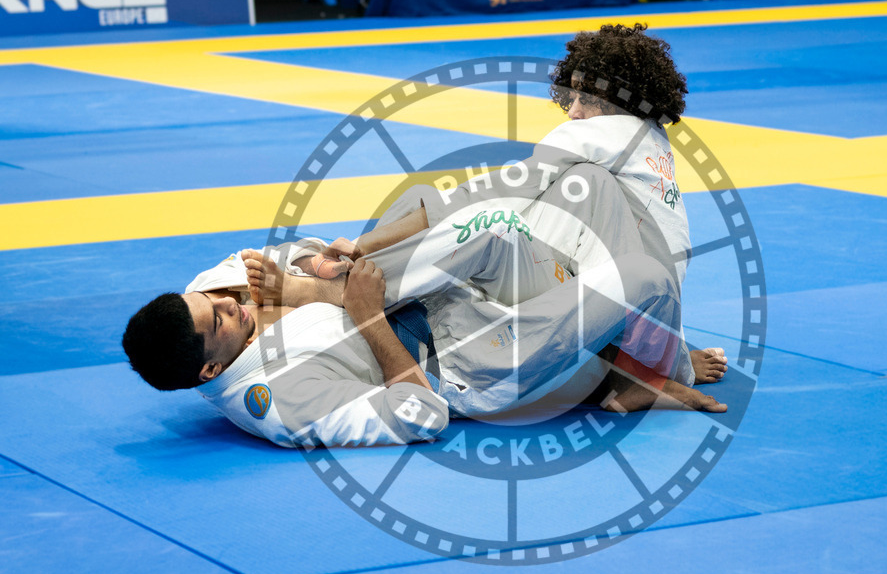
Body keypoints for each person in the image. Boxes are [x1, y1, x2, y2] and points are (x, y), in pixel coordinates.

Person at [123, 189, 726, 449]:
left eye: (217, 301)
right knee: (644, 277)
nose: (230, 303)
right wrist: (365, 320)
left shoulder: (208, 294)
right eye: (221, 321)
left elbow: (294, 251)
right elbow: (421, 415)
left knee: (452, 212)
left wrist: (317, 268)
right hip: (465, 361)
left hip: (421, 293)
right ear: (209, 370)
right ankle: (649, 371)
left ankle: (605, 371)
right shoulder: (280, 403)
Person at [363, 23, 724, 389]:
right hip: (642, 324)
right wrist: (675, 360)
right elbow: (669, 260)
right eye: (573, 99)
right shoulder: (653, 143)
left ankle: (352, 286)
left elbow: (484, 194)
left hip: (593, 315)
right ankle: (362, 286)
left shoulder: (597, 136)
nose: (573, 112)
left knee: (453, 209)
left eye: (585, 99)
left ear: (614, 98)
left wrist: (366, 245)